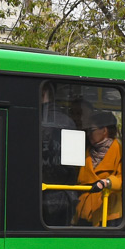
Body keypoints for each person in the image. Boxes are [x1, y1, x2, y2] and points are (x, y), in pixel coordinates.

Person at [76, 110, 123, 226]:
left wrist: (107, 182)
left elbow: (124, 178)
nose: (88, 134)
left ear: (104, 130)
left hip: (107, 211)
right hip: (84, 211)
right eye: (87, 131)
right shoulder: (86, 150)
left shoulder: (119, 149)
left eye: (91, 130)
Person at [40, 84, 79, 225]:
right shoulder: (68, 122)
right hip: (65, 196)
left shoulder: (32, 119)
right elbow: (73, 167)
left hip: (40, 197)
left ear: (43, 92)